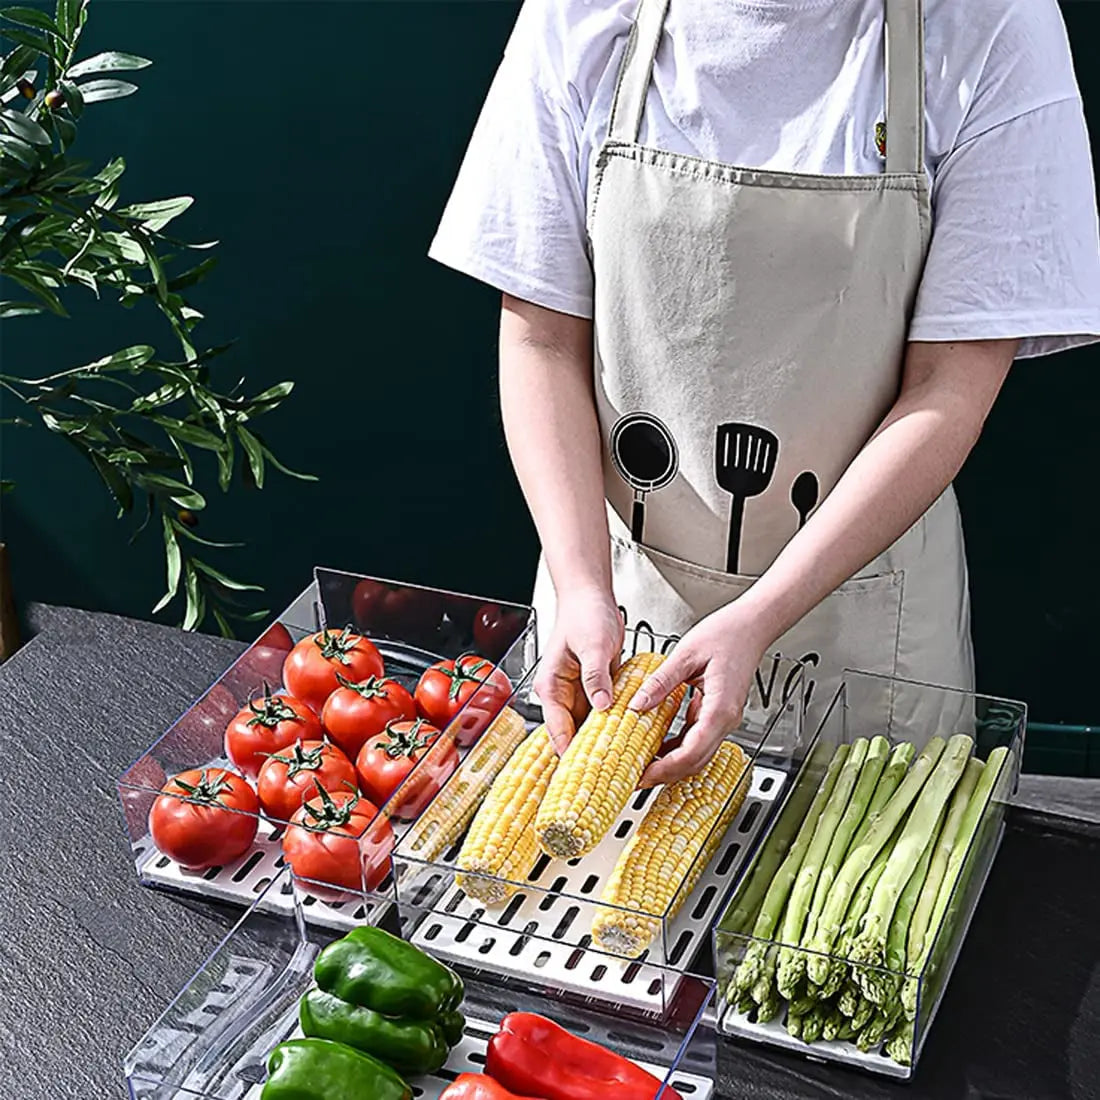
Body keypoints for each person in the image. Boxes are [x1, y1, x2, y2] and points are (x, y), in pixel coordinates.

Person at [430, 0, 1100, 784]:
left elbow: (948, 384)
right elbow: (540, 337)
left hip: (866, 647)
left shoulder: (989, 26)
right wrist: (581, 587)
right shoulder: (582, 15)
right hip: (618, 616)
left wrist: (758, 615)